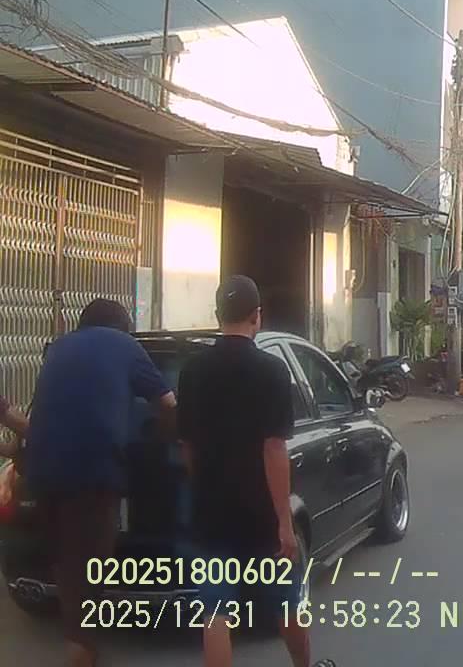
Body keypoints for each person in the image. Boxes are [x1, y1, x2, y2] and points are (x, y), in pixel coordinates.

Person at [176, 276, 327, 667]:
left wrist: (200, 488)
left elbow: (186, 445)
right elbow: (273, 448)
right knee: (286, 604)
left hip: (211, 510)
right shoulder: (272, 370)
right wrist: (284, 522)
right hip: (260, 513)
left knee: (215, 612)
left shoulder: (192, 371)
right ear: (256, 316)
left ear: (217, 315)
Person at [25, 299, 176, 667]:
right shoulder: (125, 345)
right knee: (89, 571)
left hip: (40, 469)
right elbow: (169, 404)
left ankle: (78, 636)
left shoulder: (59, 347)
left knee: (66, 562)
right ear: (123, 327)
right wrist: (166, 440)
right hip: (92, 471)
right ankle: (82, 650)